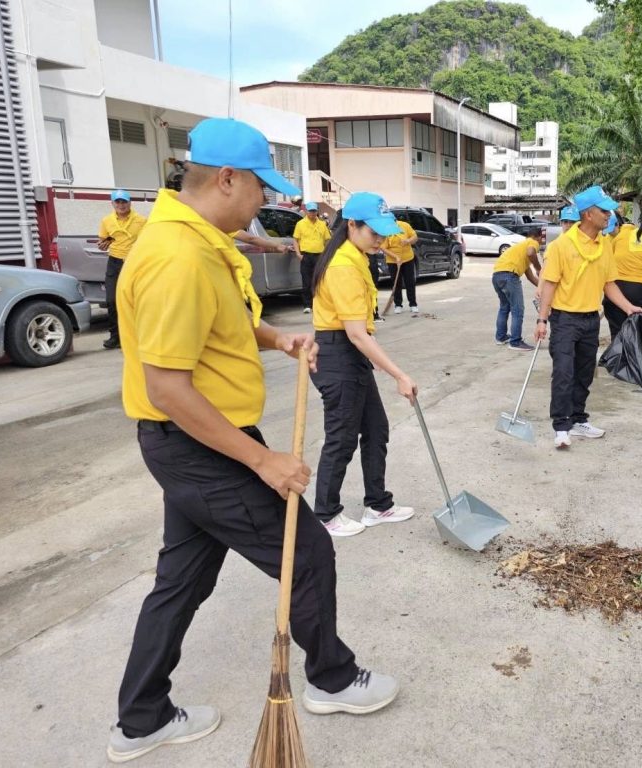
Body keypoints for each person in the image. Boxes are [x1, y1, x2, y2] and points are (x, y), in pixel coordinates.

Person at [106, 118, 398, 764]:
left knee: (182, 579)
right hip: (200, 444)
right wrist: (263, 460)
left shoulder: (201, 241)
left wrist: (277, 338)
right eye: (260, 186)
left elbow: (226, 321)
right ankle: (331, 678)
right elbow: (168, 389)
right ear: (227, 179)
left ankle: (140, 718)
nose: (265, 199)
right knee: (310, 553)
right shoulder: (176, 257)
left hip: (196, 441)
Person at [310, 192, 418, 537]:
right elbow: (356, 334)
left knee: (375, 429)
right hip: (338, 355)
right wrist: (399, 374)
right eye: (374, 233)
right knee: (341, 438)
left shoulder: (354, 256)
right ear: (352, 225)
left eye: (383, 234)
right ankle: (325, 515)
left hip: (349, 355)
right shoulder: (343, 266)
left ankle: (377, 505)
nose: (380, 240)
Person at [533, 185, 642, 450]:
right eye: (604, 211)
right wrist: (542, 320)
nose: (609, 215)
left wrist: (629, 307)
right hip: (564, 319)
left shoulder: (604, 245)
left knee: (585, 373)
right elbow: (549, 284)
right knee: (563, 373)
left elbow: (609, 283)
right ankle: (561, 427)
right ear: (588, 214)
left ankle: (578, 419)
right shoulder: (562, 246)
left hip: (590, 320)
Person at [97, 190, 146, 349]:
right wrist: (104, 243)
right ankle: (115, 337)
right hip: (114, 262)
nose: (121, 205)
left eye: (124, 201)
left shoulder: (141, 221)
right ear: (112, 204)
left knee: (136, 300)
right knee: (111, 300)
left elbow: (147, 241)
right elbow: (103, 240)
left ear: (130, 203)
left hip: (134, 262)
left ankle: (137, 336)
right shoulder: (107, 221)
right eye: (117, 202)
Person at [492, 229, 544, 350]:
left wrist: (543, 287)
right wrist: (539, 268)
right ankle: (515, 342)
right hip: (510, 276)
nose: (541, 243)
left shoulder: (520, 250)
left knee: (504, 307)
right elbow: (531, 253)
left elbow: (530, 277)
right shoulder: (533, 242)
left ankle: (501, 337)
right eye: (541, 240)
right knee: (518, 310)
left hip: (497, 276)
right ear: (538, 237)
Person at [293, 202, 331, 314]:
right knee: (306, 281)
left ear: (317, 211)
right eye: (310, 211)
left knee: (319, 280)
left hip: (319, 256)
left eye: (314, 211)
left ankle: (318, 304)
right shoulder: (300, 224)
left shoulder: (322, 224)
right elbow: (295, 240)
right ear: (306, 211)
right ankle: (307, 305)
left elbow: (327, 240)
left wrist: (326, 254)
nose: (313, 213)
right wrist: (298, 254)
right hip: (306, 255)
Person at [384, 215, 420, 315]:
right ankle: (398, 305)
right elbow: (383, 247)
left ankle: (413, 304)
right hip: (393, 261)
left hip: (408, 258)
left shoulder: (404, 225)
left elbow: (415, 237)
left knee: (410, 281)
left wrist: (408, 241)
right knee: (396, 283)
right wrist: (395, 257)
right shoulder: (385, 230)